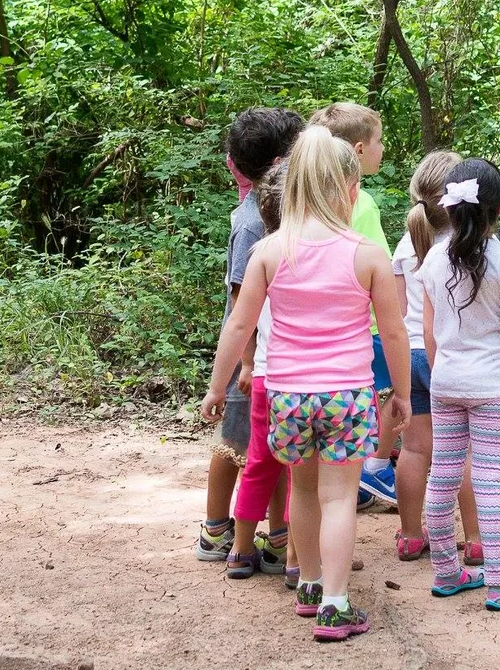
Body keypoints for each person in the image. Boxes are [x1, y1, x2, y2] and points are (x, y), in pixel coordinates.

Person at [201, 126, 411, 642]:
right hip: (346, 395)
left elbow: (238, 325)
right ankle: (336, 607)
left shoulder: (270, 252)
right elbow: (395, 330)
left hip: (288, 395)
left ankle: (310, 584)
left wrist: (215, 385)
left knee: (305, 489)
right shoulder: (366, 254)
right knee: (341, 498)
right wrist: (402, 393)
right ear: (348, 188)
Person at [419, 158, 500, 610]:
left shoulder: (432, 259)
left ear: (449, 209)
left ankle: (447, 572)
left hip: (446, 381)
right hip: (492, 386)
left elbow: (430, 332)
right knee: (489, 482)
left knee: (443, 474)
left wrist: (442, 372)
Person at [197, 108, 304, 563]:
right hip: (252, 358)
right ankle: (215, 530)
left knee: (268, 451)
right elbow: (243, 303)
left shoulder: (274, 210)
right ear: (283, 162)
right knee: (234, 445)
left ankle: (279, 535)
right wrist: (245, 361)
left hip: (267, 357)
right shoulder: (253, 223)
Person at [391, 150, 484, 565]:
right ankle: (477, 538)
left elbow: (397, 313)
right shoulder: (472, 245)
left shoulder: (404, 246)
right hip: (452, 356)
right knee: (461, 452)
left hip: (410, 355)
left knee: (414, 450)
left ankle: (411, 535)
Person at [308, 102, 399, 509]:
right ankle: (366, 476)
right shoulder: (361, 203)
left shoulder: (305, 201)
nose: (384, 148)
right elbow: (377, 272)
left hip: (312, 338)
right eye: (379, 141)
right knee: (371, 402)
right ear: (358, 151)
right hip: (362, 331)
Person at [225, 161, 292, 579]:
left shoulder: (260, 257)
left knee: (258, 464)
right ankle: (289, 552)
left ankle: (240, 550)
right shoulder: (305, 256)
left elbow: (241, 320)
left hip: (266, 377)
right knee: (300, 472)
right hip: (299, 380)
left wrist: (246, 364)